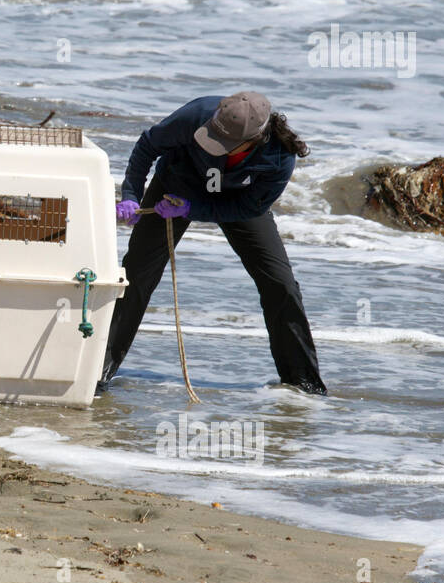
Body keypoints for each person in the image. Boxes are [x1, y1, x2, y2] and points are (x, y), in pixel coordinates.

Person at [102, 91, 327, 395]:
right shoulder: (195, 115)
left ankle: (303, 384)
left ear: (255, 140)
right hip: (175, 186)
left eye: (226, 146)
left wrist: (193, 210)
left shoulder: (279, 157)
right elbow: (147, 146)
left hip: (236, 202)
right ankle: (97, 371)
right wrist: (131, 194)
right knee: (137, 275)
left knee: (281, 284)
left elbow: (250, 208)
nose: (215, 147)